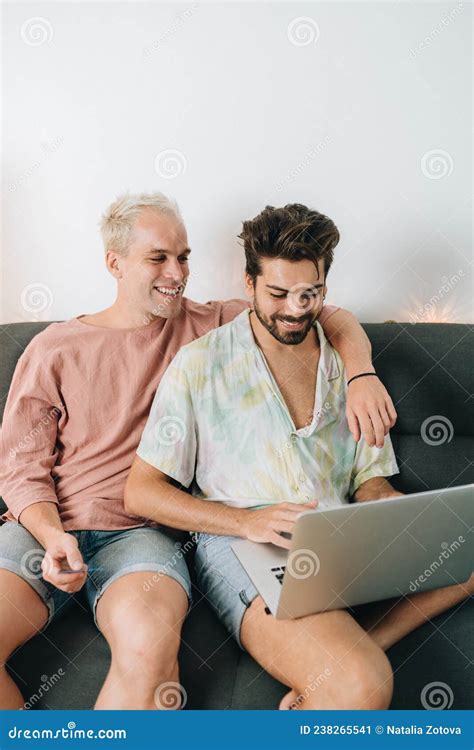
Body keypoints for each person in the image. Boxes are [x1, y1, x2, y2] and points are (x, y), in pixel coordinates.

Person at [0, 194, 395, 709]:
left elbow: (325, 315)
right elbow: (21, 467)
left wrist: (362, 370)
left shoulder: (210, 324)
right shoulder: (54, 348)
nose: (176, 272)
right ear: (113, 262)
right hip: (42, 528)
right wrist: (52, 536)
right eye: (158, 258)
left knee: (148, 651)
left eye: (183, 257)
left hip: (141, 539)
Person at [125, 203, 474, 710]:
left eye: (309, 293)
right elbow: (141, 491)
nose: (294, 308)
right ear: (248, 284)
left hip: (338, 541)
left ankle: (349, 657)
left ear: (325, 288)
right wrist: (245, 523)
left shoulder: (346, 366)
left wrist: (398, 515)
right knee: (360, 684)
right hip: (244, 551)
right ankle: (344, 668)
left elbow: (369, 482)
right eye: (278, 293)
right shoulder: (199, 364)